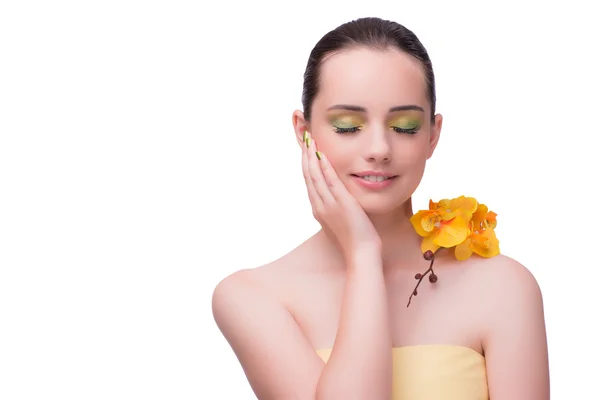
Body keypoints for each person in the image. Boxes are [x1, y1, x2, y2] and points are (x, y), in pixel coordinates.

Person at [211, 17, 550, 400]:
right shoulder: (252, 296)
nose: (379, 149)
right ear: (303, 132)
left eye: (404, 126)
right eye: (347, 125)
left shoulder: (503, 286)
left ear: (433, 136)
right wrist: (363, 255)